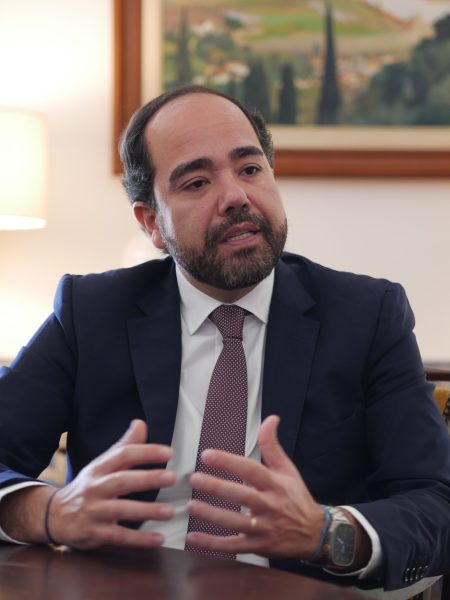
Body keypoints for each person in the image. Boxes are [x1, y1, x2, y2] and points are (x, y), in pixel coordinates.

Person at [0, 85, 449, 593]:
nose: (236, 196)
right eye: (196, 182)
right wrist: (50, 512)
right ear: (152, 223)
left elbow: (435, 503)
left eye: (250, 168)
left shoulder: (366, 316)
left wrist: (327, 533)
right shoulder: (92, 313)